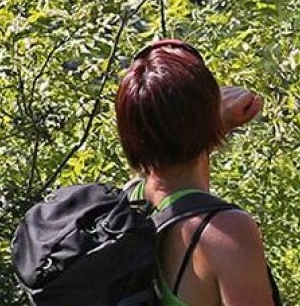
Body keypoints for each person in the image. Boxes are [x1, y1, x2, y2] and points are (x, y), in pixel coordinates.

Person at [117, 39, 278, 306]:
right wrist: (210, 122)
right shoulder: (225, 230)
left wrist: (214, 122)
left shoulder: (128, 202)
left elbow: (171, 156)